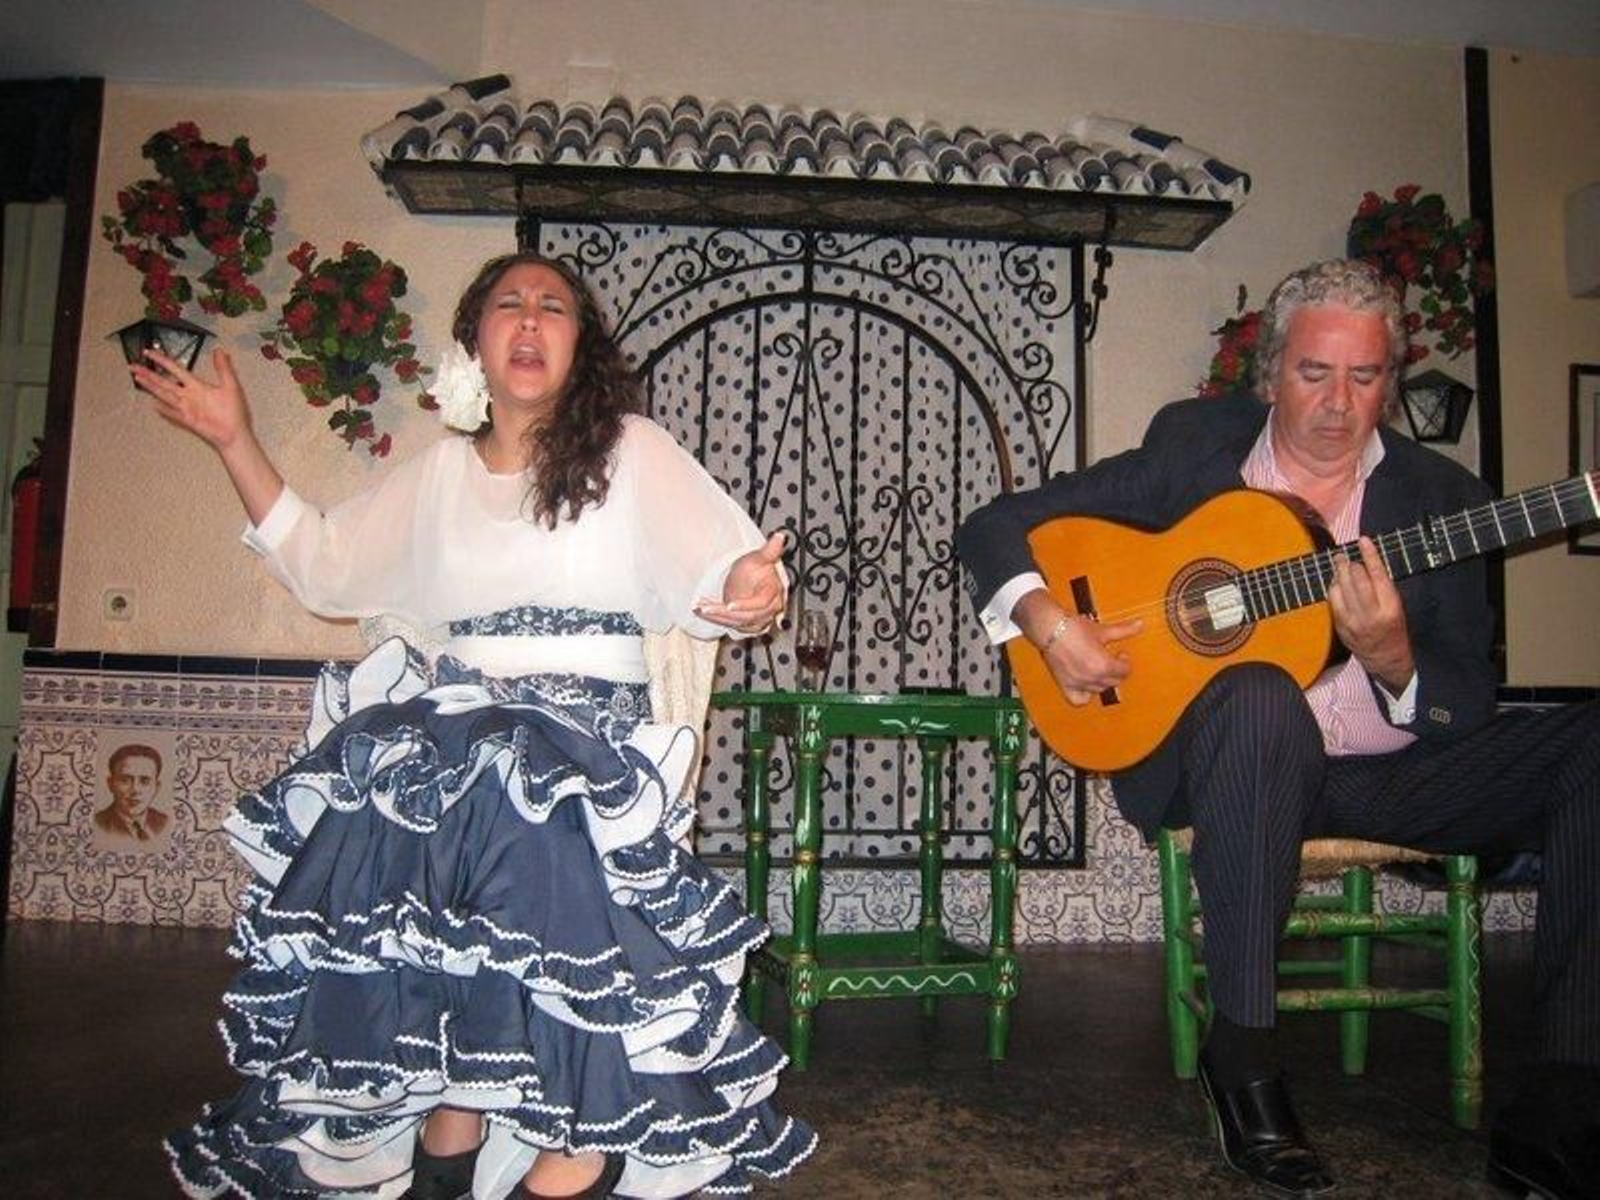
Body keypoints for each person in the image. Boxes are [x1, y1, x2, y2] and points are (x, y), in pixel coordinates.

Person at [137, 252, 817, 1199]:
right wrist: (233, 440)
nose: (532, 319)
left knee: (523, 839)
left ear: (580, 346)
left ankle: (568, 1140)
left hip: (583, 762)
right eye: (510, 304)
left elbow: (723, 566)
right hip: (451, 752)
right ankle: (449, 1128)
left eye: (555, 307)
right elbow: (326, 564)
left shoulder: (631, 451)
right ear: (477, 344)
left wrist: (749, 590)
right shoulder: (439, 475)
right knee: (406, 834)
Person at [957, 259, 1599, 1199]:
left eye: (1365, 377)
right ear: (1271, 374)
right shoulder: (1192, 450)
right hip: (1228, 762)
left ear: (1390, 377)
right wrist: (1053, 630)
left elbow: (1469, 688)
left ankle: (1561, 1110)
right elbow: (994, 524)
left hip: (1384, 773)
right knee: (1260, 691)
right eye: (1314, 374)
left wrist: (1392, 660)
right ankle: (1245, 1055)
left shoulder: (1441, 497)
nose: (1339, 404)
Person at [93, 742, 169, 841]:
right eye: (125, 780)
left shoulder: (165, 822)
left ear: (157, 787)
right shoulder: (98, 823)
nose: (135, 790)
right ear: (110, 784)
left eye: (144, 781)